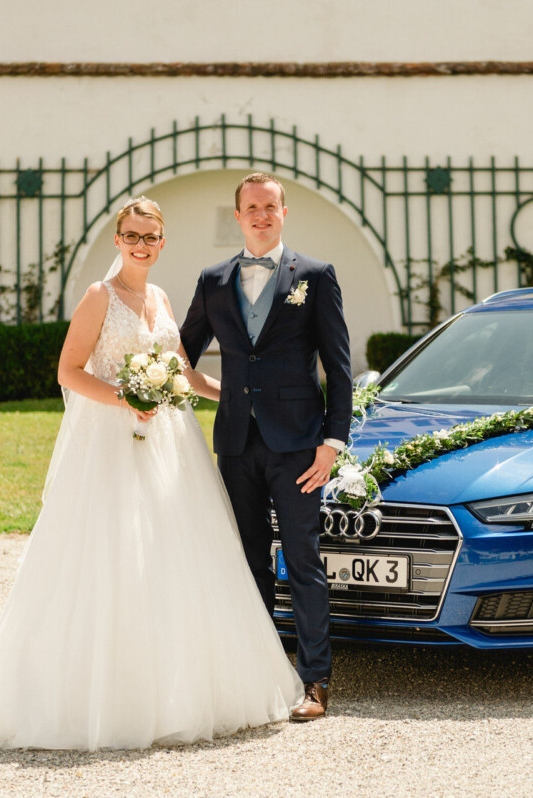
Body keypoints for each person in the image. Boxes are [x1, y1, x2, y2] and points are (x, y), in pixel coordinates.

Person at [0, 196, 303, 750]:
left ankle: (176, 690)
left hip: (168, 448)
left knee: (177, 558)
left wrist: (237, 396)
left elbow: (182, 370)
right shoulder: (99, 297)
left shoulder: (161, 298)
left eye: (150, 237)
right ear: (118, 241)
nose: (141, 245)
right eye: (132, 236)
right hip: (112, 448)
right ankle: (101, 696)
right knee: (109, 561)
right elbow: (68, 371)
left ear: (163, 244)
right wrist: (125, 398)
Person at [180, 173, 352, 721]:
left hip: (299, 445)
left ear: (283, 212)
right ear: (238, 216)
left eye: (269, 206)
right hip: (235, 443)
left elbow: (339, 368)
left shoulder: (317, 277)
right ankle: (257, 677)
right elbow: (181, 355)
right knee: (248, 561)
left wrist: (332, 441)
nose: (260, 215)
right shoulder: (212, 279)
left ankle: (315, 682)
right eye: (250, 207)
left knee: (302, 559)